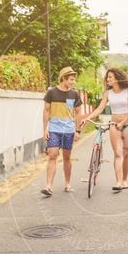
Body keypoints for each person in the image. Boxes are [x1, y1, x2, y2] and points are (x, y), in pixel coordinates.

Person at [83, 68, 128, 191]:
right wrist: (87, 118)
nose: (108, 79)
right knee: (118, 153)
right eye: (107, 77)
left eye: (110, 77)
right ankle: (118, 182)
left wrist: (123, 122)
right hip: (114, 125)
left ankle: (125, 180)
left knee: (126, 152)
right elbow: (99, 109)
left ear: (117, 78)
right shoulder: (108, 93)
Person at [42, 66, 84, 196]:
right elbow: (46, 111)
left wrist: (77, 131)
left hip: (68, 130)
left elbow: (78, 113)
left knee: (67, 157)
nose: (73, 82)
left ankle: (67, 183)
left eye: (73, 80)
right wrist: (45, 129)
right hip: (54, 129)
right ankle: (48, 186)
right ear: (63, 78)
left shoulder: (74, 94)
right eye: (71, 79)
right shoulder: (51, 93)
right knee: (52, 155)